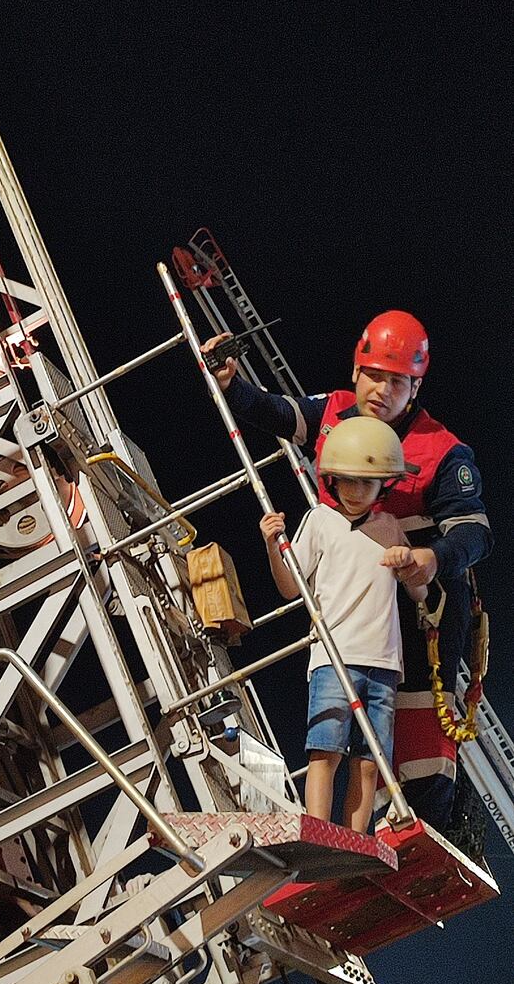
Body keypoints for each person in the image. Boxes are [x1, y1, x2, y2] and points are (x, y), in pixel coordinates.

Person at [205, 309, 491, 832]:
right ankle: (349, 841)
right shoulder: (333, 411)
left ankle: (417, 841)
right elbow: (274, 411)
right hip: (348, 603)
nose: (380, 390)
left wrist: (433, 558)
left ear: (416, 385)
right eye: (372, 375)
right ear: (355, 372)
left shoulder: (444, 451)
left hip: (419, 610)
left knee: (418, 741)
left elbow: (475, 533)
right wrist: (231, 384)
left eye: (396, 380)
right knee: (337, 734)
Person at [260, 418, 426, 832]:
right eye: (348, 481)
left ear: (383, 485)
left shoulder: (390, 529)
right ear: (333, 480)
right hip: (334, 659)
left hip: (384, 663)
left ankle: (356, 842)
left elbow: (420, 595)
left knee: (369, 765)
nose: (355, 491)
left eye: (366, 483)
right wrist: (271, 543)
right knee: (325, 752)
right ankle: (318, 834)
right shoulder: (319, 520)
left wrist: (408, 564)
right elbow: (288, 587)